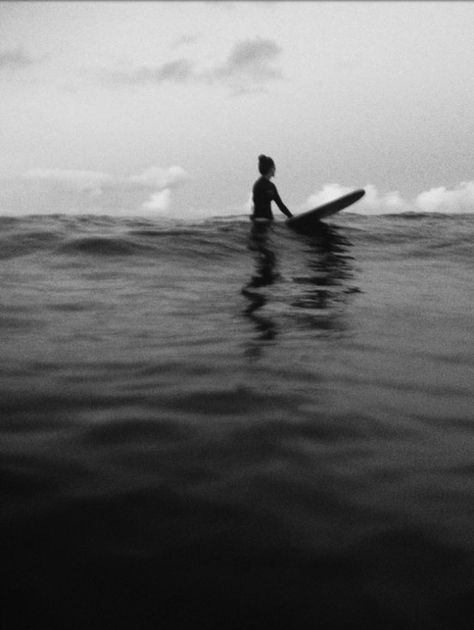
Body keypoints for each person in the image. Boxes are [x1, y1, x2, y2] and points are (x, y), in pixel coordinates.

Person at [251, 154, 293, 221]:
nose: (275, 169)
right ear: (271, 168)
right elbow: (257, 205)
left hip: (269, 221)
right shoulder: (258, 185)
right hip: (259, 222)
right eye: (274, 167)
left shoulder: (271, 186)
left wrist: (291, 217)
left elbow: (281, 205)